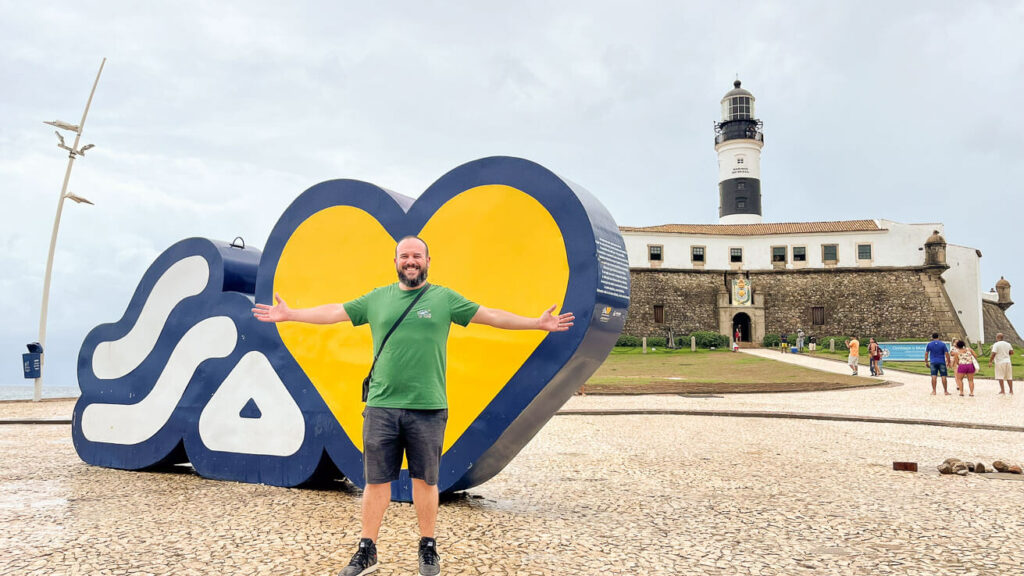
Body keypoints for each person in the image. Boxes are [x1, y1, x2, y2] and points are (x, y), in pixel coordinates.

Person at [253, 236, 574, 576]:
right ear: (395, 262)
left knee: (425, 481)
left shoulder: (444, 298)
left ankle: (428, 547)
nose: (411, 261)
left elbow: (490, 315)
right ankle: (367, 549)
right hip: (381, 405)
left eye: (416, 256)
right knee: (376, 482)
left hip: (429, 406)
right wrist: (290, 314)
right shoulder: (378, 298)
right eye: (404, 256)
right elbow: (335, 311)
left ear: (427, 261)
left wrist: (536, 323)